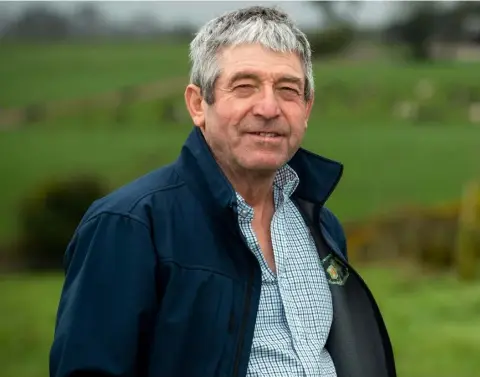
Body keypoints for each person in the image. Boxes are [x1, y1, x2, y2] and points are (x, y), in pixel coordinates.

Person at [49, 6, 396, 377]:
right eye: (244, 86)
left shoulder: (320, 225)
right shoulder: (130, 224)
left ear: (306, 108)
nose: (268, 107)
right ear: (198, 104)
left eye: (288, 90)